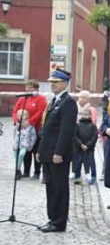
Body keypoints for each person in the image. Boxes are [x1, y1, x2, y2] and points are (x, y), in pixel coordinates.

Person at [37, 68, 78, 233]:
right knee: (51, 187)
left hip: (58, 154)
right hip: (48, 152)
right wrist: (40, 150)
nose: (52, 84)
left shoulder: (68, 103)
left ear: (65, 83)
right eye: (51, 82)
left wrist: (58, 153)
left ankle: (59, 221)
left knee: (59, 189)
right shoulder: (54, 102)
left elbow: (66, 131)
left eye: (55, 82)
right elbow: (47, 130)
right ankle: (52, 218)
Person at [13, 79, 46, 180]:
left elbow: (40, 112)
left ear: (36, 88)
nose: (28, 89)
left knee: (36, 151)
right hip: (22, 129)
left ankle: (37, 172)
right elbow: (15, 111)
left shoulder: (40, 99)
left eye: (30, 87)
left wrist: (29, 122)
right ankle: (26, 171)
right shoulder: (22, 99)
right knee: (25, 150)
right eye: (27, 87)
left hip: (35, 129)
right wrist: (17, 122)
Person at [74, 106, 99, 186]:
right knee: (78, 162)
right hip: (80, 147)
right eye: (83, 113)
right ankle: (77, 176)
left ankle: (93, 176)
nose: (85, 115)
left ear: (90, 115)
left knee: (91, 162)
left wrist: (88, 145)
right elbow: (75, 136)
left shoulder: (93, 126)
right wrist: (81, 144)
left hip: (90, 148)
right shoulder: (78, 125)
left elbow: (95, 136)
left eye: (86, 114)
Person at [13, 109, 36, 180]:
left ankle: (18, 169)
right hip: (17, 144)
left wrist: (30, 145)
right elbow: (14, 135)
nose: (21, 117)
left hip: (25, 144)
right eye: (20, 116)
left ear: (27, 116)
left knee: (22, 154)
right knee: (16, 158)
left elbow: (33, 136)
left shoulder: (30, 126)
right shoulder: (16, 125)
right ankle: (18, 170)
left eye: (23, 115)